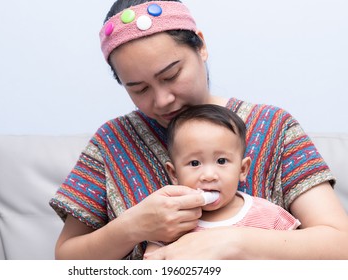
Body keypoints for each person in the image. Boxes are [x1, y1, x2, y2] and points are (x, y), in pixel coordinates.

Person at [50, 0, 348, 259]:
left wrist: (231, 242)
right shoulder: (112, 143)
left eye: (171, 75)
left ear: (201, 46)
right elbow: (66, 257)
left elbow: (339, 244)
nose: (162, 100)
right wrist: (133, 227)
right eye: (139, 89)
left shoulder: (274, 128)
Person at [144, 104, 301, 256]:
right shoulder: (172, 222)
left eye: (221, 161)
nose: (209, 175)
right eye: (194, 163)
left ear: (242, 169)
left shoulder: (267, 214)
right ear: (174, 174)